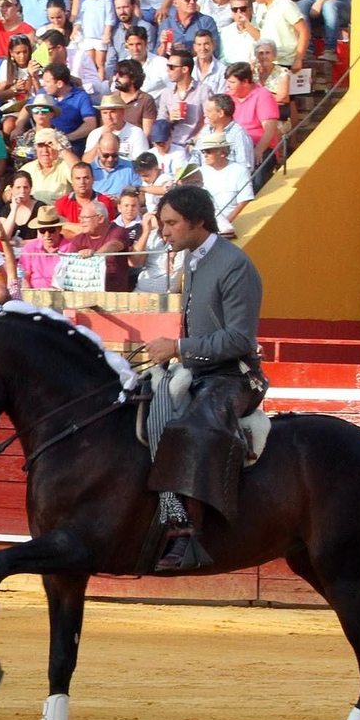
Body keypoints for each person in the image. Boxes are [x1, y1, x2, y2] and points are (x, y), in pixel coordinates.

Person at [145, 183, 265, 572]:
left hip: (235, 376)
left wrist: (178, 348)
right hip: (198, 370)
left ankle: (189, 537)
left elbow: (239, 338)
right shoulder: (193, 259)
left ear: (198, 221)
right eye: (163, 223)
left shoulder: (234, 264)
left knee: (193, 430)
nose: (164, 231)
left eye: (171, 223)